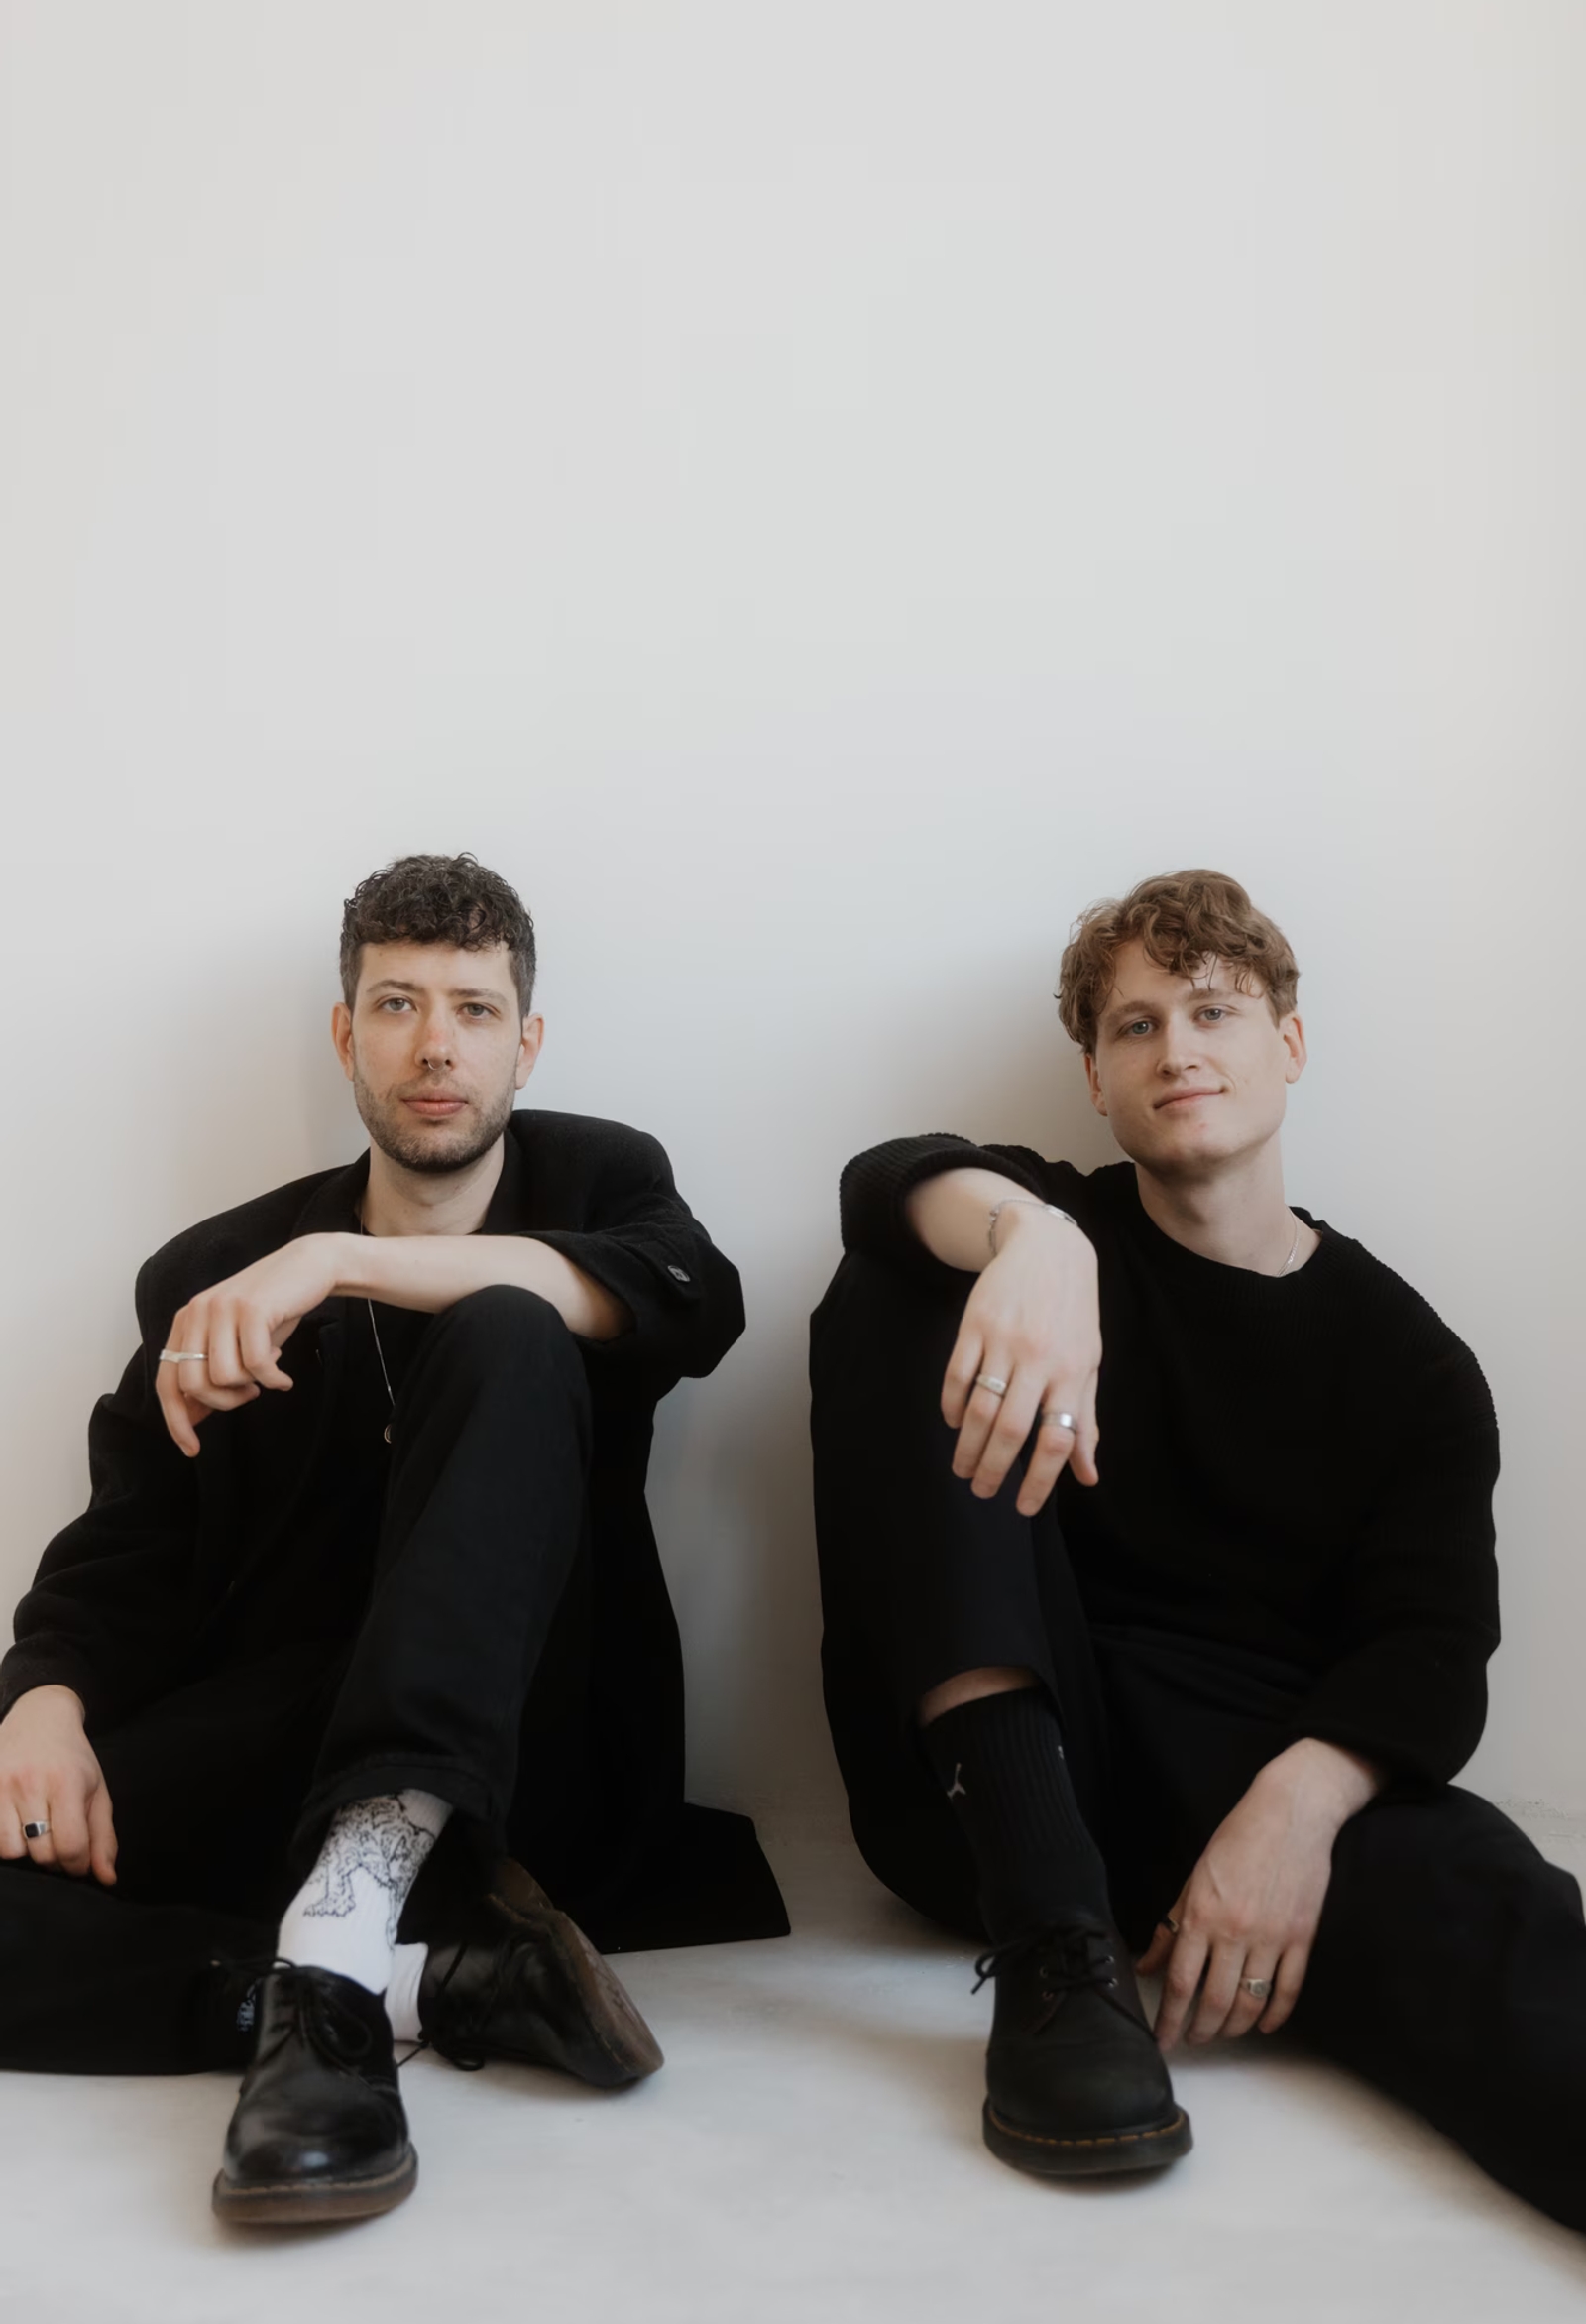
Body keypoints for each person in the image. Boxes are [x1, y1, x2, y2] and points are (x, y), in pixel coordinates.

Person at [0, 852, 785, 2226]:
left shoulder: (599, 1180)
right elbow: (132, 1538)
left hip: (540, 1752)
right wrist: (44, 1702)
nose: (438, 1047)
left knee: (509, 1326)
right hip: (298, 1739)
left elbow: (692, 1304)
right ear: (345, 1033)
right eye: (399, 1004)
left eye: (476, 1011)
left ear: (526, 1041)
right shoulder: (208, 1275)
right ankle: (406, 1984)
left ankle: (353, 1922)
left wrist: (341, 1263)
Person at [811, 868, 1586, 2229]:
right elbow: (879, 1188)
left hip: (1251, 1776)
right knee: (910, 1288)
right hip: (1008, 1782)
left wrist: (1291, 1819)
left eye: (1215, 1012)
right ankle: (1056, 1950)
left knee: (1500, 1917)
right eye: (1135, 1026)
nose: (1177, 1050)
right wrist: (1032, 1238)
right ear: (1098, 1083)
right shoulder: (1053, 1229)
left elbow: (1432, 1644)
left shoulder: (1411, 1364)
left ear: (1287, 1044)